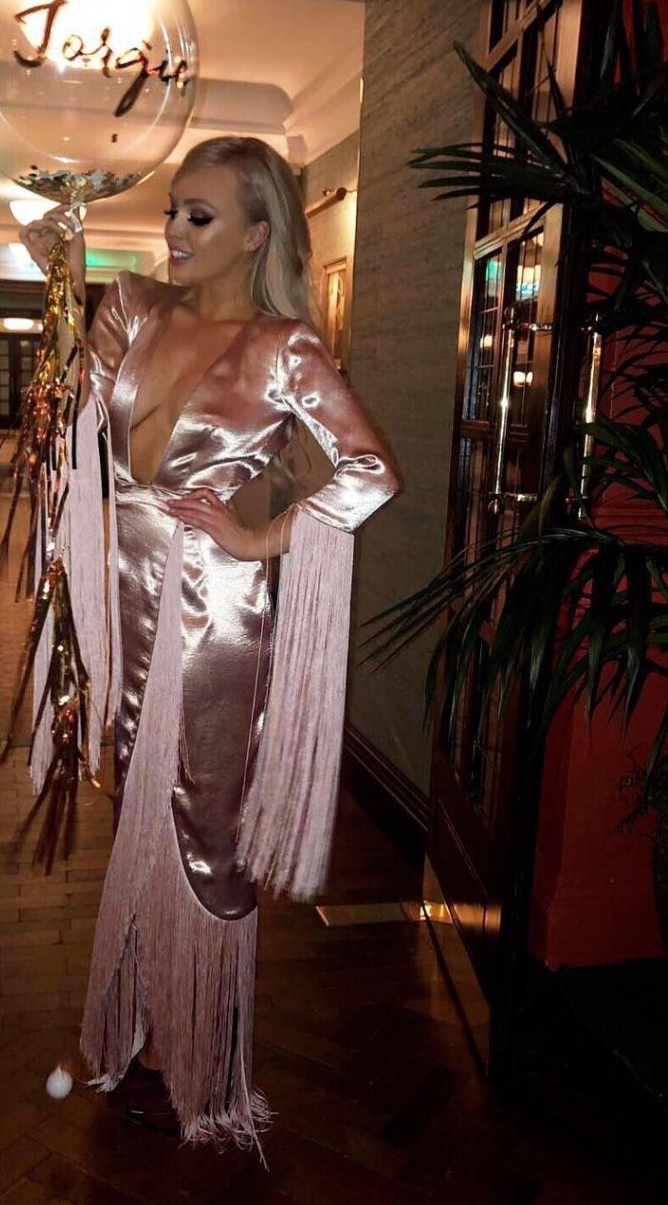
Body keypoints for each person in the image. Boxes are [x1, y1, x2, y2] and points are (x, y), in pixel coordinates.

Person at [20, 136, 400, 1154]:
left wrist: (261, 536)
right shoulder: (135, 307)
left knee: (203, 827)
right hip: (126, 600)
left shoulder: (284, 347)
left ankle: (208, 1063)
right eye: (173, 209)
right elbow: (76, 417)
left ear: (257, 233)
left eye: (200, 214)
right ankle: (148, 1027)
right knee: (135, 817)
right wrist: (62, 285)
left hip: (215, 614)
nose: (175, 229)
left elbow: (366, 468)